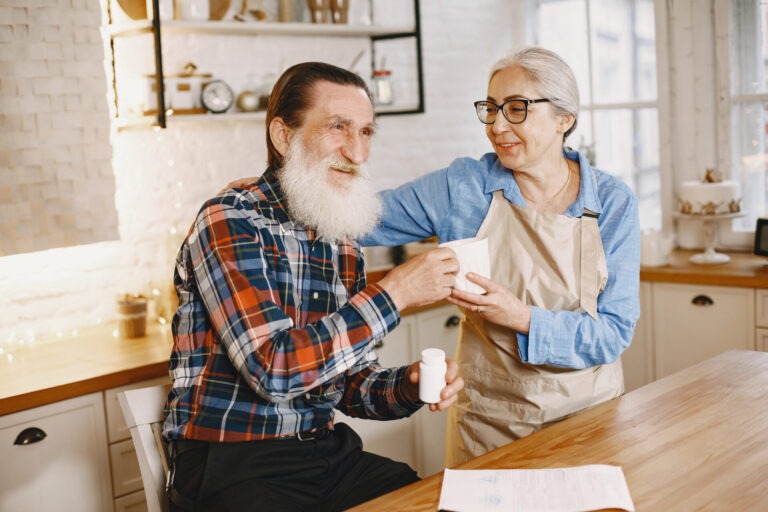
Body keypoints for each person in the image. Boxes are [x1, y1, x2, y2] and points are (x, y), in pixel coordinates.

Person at [163, 61, 464, 512]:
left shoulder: (339, 236)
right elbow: (273, 368)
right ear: (283, 137)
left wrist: (406, 385)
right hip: (233, 463)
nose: (357, 153)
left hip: (324, 452)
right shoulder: (229, 220)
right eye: (337, 128)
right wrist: (395, 293)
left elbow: (347, 385)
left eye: (365, 133)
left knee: (433, 502)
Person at [361, 46, 641, 466]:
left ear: (564, 118)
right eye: (490, 109)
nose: (496, 126)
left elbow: (614, 333)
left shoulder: (612, 202)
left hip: (590, 418)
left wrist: (522, 318)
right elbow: (361, 219)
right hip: (491, 424)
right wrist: (272, 195)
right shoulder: (465, 187)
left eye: (516, 109)